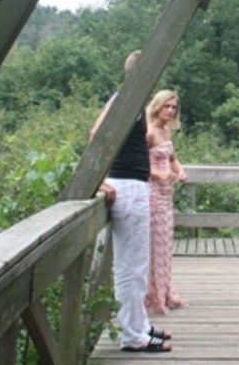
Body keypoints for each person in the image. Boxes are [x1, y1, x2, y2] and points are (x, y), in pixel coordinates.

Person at [94, 51, 172, 352]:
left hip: (135, 186)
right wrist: (100, 181)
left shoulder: (134, 103)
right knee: (130, 266)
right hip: (127, 186)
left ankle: (139, 326)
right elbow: (97, 134)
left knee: (138, 264)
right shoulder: (123, 100)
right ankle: (133, 335)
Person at [144, 90, 189, 314]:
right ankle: (153, 297)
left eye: (174, 107)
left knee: (165, 246)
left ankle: (165, 291)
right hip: (152, 195)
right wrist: (158, 174)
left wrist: (179, 171)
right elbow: (139, 165)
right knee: (154, 247)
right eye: (167, 106)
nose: (170, 111)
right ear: (157, 106)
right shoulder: (149, 132)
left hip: (166, 194)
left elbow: (172, 158)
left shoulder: (166, 132)